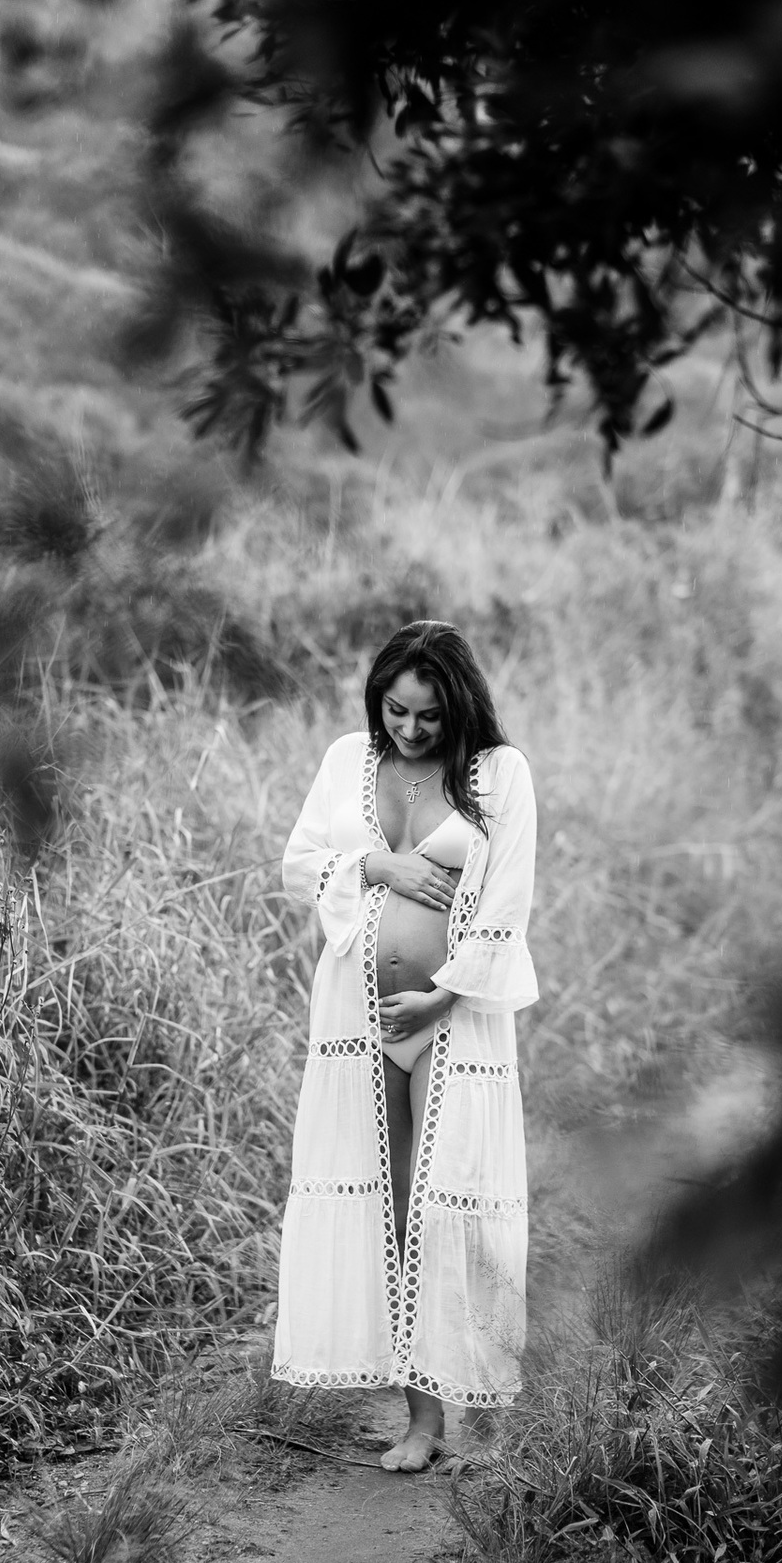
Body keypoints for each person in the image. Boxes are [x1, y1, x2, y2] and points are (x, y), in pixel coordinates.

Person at [272, 620, 539, 1471]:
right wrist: (378, 867)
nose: (412, 730)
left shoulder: (498, 775)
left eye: (428, 716)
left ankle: (437, 1424)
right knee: (387, 1208)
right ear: (377, 700)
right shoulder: (351, 761)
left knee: (435, 1208)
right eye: (397, 711)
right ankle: (411, 1411)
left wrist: (442, 996)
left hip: (453, 1021)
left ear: (458, 706)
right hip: (358, 1020)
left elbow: (505, 904)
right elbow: (298, 863)